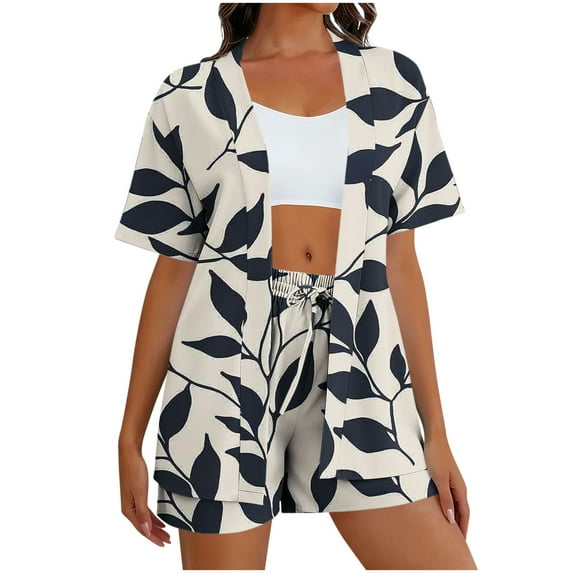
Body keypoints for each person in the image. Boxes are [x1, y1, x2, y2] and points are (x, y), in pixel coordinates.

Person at [116, 3, 477, 569]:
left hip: (364, 366)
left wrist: (436, 432)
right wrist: (128, 438)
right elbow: (174, 270)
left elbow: (401, 264)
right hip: (223, 369)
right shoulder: (189, 94)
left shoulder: (394, 82)